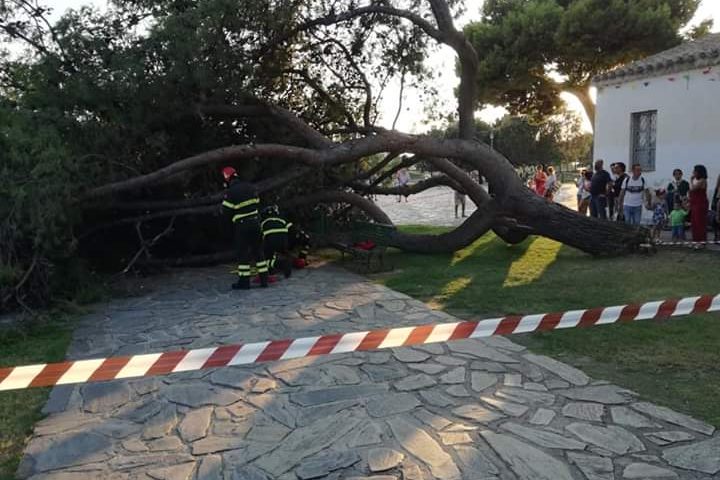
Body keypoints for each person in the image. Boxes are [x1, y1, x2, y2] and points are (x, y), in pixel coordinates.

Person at [221, 166, 268, 290]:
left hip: (242, 225)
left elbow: (226, 211)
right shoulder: (250, 187)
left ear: (227, 178)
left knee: (242, 253)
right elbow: (258, 202)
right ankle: (264, 280)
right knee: (258, 251)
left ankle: (244, 282)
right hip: (256, 223)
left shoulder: (230, 192)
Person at [260, 205, 293, 279]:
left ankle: (280, 265)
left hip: (272, 240)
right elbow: (291, 228)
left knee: (267, 258)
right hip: (284, 240)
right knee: (283, 252)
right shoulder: (282, 219)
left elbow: (260, 235)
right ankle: (287, 265)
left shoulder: (264, 221)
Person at [689, 164, 709, 244]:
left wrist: (691, 180)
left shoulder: (702, 180)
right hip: (694, 203)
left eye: (695, 171)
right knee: (694, 222)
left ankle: (700, 241)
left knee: (699, 222)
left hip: (700, 204)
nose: (693, 172)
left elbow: (693, 188)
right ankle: (696, 240)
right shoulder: (698, 180)